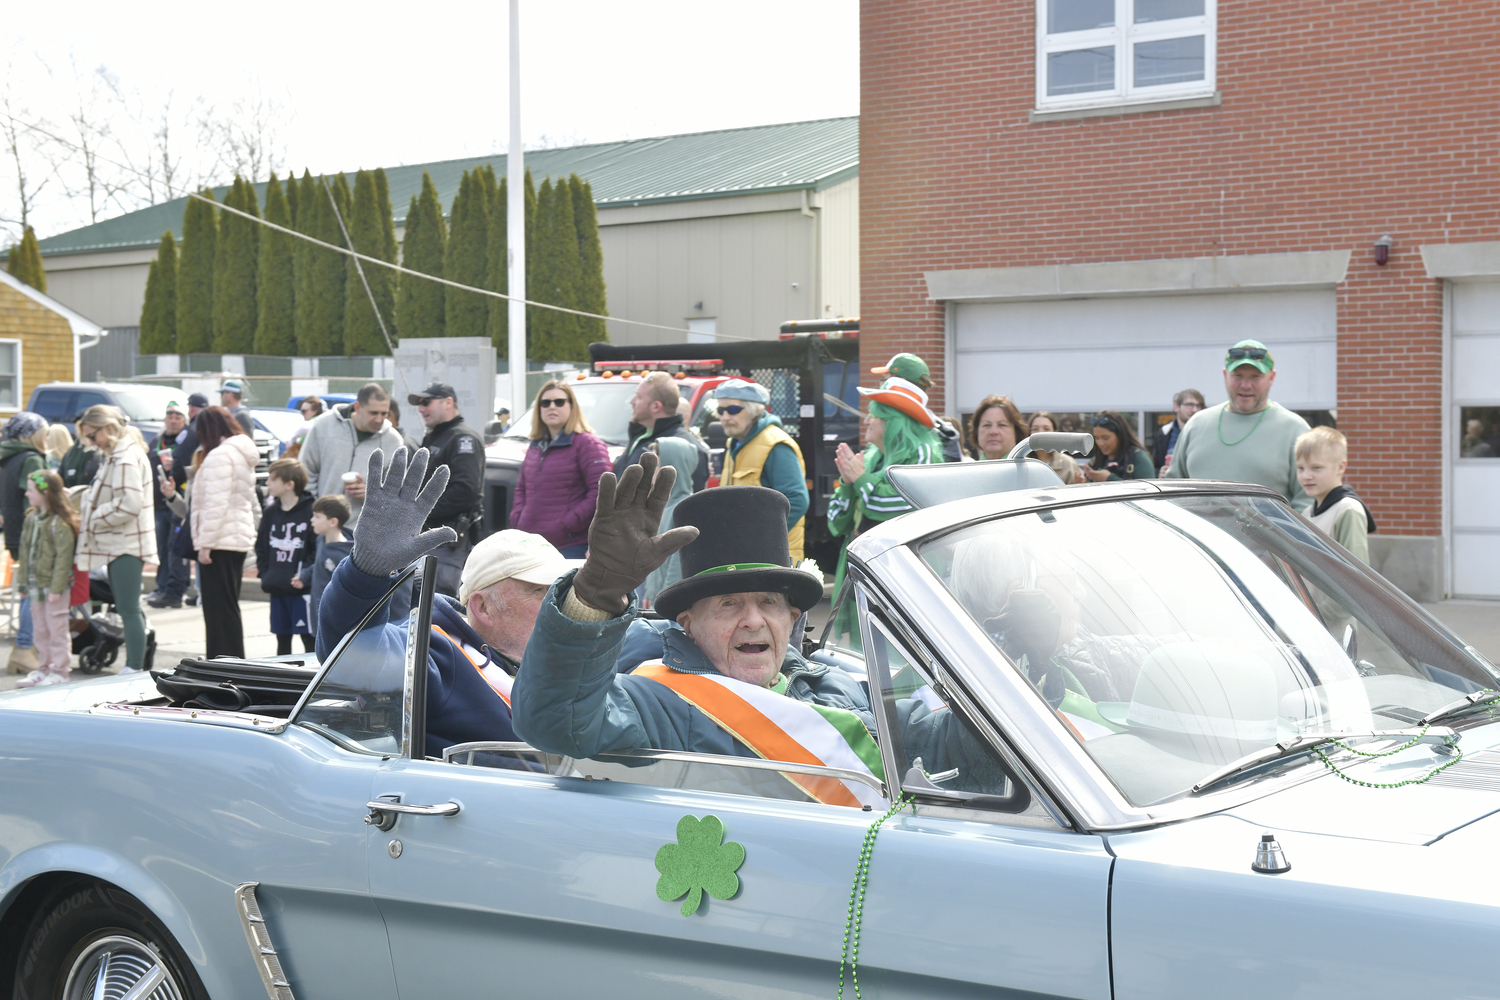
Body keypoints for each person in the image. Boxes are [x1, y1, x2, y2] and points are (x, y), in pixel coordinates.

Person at [508, 462, 1010, 807]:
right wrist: (594, 596)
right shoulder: (654, 701)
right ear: (686, 623)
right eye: (728, 604)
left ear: (794, 619)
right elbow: (555, 722)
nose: (753, 620)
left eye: (769, 602)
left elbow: (950, 755)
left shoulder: (838, 686)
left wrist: (1017, 654)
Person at [315, 447, 578, 756]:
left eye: (564, 590)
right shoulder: (436, 653)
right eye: (542, 591)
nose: (561, 604)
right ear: (483, 607)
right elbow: (351, 650)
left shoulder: (571, 654)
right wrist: (366, 570)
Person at [828, 378, 943, 640]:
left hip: (902, 578)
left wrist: (860, 480)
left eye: (874, 416)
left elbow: (897, 504)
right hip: (862, 572)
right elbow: (835, 521)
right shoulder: (868, 457)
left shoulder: (923, 454)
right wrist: (847, 485)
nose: (866, 421)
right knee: (863, 656)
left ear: (893, 421)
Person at [1163, 340, 1312, 510]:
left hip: (1267, 537)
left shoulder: (1295, 430)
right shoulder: (1196, 425)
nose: (1246, 385)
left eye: (1255, 376)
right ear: (1225, 375)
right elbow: (1171, 493)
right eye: (1238, 376)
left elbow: (1307, 502)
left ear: (1272, 377)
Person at [74, 405, 156, 672]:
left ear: (107, 428)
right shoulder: (120, 454)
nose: (90, 442)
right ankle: (135, 666)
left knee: (129, 609)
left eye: (91, 435)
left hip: (126, 543)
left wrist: (96, 516)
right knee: (128, 608)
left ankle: (134, 668)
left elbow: (130, 502)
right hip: (124, 542)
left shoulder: (124, 458)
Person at [190, 405, 262, 659]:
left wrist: (205, 543)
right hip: (236, 538)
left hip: (220, 540)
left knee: (217, 609)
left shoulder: (220, 456)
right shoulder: (240, 454)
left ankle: (221, 661)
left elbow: (215, 503)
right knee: (228, 606)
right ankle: (232, 661)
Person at [510, 379, 611, 558]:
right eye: (545, 402)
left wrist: (567, 524)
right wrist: (518, 518)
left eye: (559, 402)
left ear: (572, 406)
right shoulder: (535, 445)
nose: (551, 407)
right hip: (531, 546)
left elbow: (601, 492)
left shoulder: (588, 444)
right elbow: (522, 488)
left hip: (569, 546)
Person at [713, 378, 811, 561]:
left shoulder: (775, 444)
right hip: (743, 556)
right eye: (720, 410)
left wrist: (759, 540)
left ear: (753, 411)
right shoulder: (733, 443)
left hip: (772, 558)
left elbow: (797, 500)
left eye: (733, 410)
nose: (725, 417)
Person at [410, 382, 487, 598]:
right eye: (419, 404)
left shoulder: (463, 438)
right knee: (420, 607)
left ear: (448, 402)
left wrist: (420, 510)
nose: (421, 409)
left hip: (449, 544)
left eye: (426, 402)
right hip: (429, 540)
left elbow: (465, 491)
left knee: (438, 610)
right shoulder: (437, 435)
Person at [298, 382, 402, 529]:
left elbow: (398, 492)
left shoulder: (393, 440)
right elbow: (306, 470)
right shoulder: (324, 425)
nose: (379, 419)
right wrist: (316, 510)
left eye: (384, 413)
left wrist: (373, 493)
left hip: (364, 533)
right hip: (322, 528)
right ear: (358, 407)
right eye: (373, 413)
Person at [14, 470, 79, 688]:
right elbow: (25, 551)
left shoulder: (58, 523)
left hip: (53, 588)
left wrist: (57, 587)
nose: (27, 494)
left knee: (57, 630)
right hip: (35, 586)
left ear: (46, 493)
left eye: (31, 490)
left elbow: (64, 559)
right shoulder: (31, 518)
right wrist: (23, 582)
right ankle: (44, 668)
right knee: (40, 629)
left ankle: (60, 671)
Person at [1, 412, 48, 674]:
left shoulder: (7, 457)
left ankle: (23, 649)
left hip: (14, 531)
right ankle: (24, 646)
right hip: (32, 532)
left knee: (26, 590)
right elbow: (37, 497)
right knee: (34, 590)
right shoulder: (31, 459)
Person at [256, 458, 316, 655]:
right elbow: (262, 547)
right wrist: (266, 574)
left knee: (309, 639)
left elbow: (316, 549)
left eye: (273, 479)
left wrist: (305, 575)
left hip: (302, 591)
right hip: (277, 588)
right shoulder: (270, 513)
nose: (267, 484)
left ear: (289, 485)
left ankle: (311, 682)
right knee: (282, 642)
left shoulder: (311, 511)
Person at [614, 372, 709, 491]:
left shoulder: (684, 448)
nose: (632, 401)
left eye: (638, 397)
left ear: (655, 407)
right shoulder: (641, 437)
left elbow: (690, 503)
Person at [1297, 426, 1376, 563]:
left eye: (1316, 468)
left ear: (1341, 467)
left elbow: (1357, 573)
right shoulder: (1307, 513)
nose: (1306, 476)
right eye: (1300, 468)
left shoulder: (1348, 510)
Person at [871, 353, 963, 462]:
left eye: (885, 381)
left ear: (900, 384)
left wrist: (861, 478)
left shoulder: (924, 442)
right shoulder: (939, 431)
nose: (881, 386)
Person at [641, 437, 698, 607]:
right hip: (655, 598)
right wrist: (650, 592)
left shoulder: (686, 508)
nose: (650, 470)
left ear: (673, 467)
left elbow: (678, 565)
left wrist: (666, 601)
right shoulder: (661, 506)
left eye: (656, 464)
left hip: (669, 603)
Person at [147, 400, 192, 609]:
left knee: (176, 548)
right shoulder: (156, 442)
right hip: (158, 503)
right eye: (170, 417)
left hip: (177, 503)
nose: (173, 421)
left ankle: (176, 589)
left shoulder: (186, 443)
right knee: (161, 549)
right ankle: (162, 587)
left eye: (178, 417)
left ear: (184, 421)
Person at [1080, 410, 1155, 481]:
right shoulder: (1097, 460)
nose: (1100, 443)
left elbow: (1148, 490)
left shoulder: (1138, 458)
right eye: (1097, 438)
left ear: (1120, 435)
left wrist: (1109, 479)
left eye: (1105, 438)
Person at [1153, 389, 1205, 475]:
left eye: (1198, 406)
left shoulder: (1206, 433)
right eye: (1189, 405)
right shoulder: (1165, 433)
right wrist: (1159, 473)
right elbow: (1155, 466)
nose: (1195, 410)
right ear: (1176, 407)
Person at [968, 395, 1029, 461]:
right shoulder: (968, 470)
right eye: (986, 425)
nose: (993, 431)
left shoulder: (1031, 470)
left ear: (1016, 432)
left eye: (1002, 425)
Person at [282, 395, 324, 461]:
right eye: (301, 411)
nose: (302, 414)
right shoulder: (322, 421)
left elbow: (305, 428)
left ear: (315, 411)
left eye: (304, 411)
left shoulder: (313, 422)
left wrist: (292, 440)